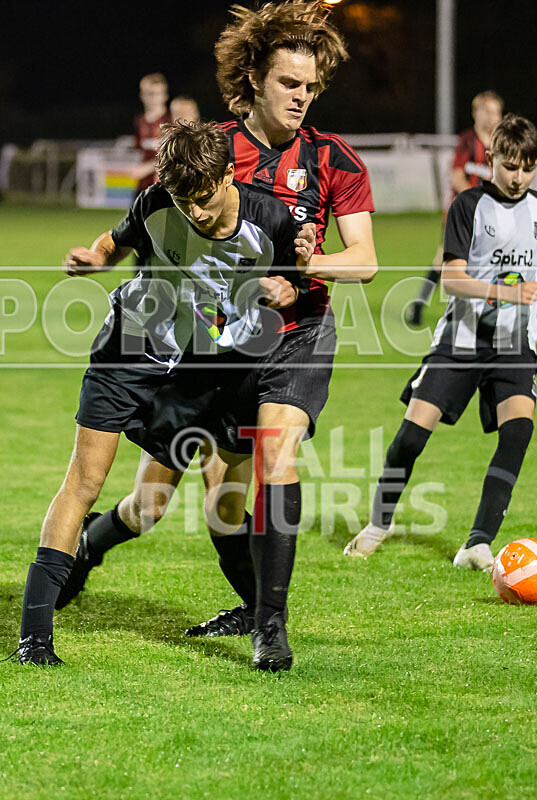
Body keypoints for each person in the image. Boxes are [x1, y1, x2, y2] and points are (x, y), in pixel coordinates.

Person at [56, 0, 377, 672]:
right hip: (215, 342)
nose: (302, 97)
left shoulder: (333, 160)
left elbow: (365, 262)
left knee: (274, 460)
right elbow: (144, 219)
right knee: (162, 503)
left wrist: (300, 266)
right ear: (256, 77)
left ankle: (270, 627)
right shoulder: (210, 151)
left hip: (297, 335)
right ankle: (89, 545)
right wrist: (100, 257)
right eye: (290, 83)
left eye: (311, 86)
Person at [12, 120, 313, 666]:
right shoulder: (156, 201)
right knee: (85, 479)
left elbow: (297, 280)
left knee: (166, 504)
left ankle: (257, 615)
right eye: (181, 200)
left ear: (228, 175)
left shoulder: (269, 218)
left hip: (202, 371)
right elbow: (115, 240)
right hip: (129, 347)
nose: (192, 212)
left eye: (201, 198)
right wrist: (94, 259)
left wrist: (281, 289)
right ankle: (33, 638)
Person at [345, 114, 537, 566]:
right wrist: (507, 292)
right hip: (460, 340)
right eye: (509, 165)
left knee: (518, 431)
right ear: (492, 158)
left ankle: (477, 542)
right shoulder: (468, 206)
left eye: (527, 167)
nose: (517, 177)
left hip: (515, 342)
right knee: (412, 437)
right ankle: (379, 522)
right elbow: (453, 279)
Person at [408, 91, 504, 327]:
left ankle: (485, 311)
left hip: (490, 215)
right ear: (476, 113)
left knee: (491, 259)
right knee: (445, 259)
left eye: (497, 112)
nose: (494, 117)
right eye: (488, 111)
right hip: (461, 212)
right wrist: (478, 201)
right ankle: (419, 305)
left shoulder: (502, 145)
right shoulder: (467, 141)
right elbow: (457, 177)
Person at [129, 73, 171, 193]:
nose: (153, 98)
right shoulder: (139, 121)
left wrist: (148, 167)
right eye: (149, 93)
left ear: (165, 96)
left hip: (166, 186)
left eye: (157, 94)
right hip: (143, 186)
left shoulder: (172, 121)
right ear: (142, 95)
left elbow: (176, 155)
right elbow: (138, 150)